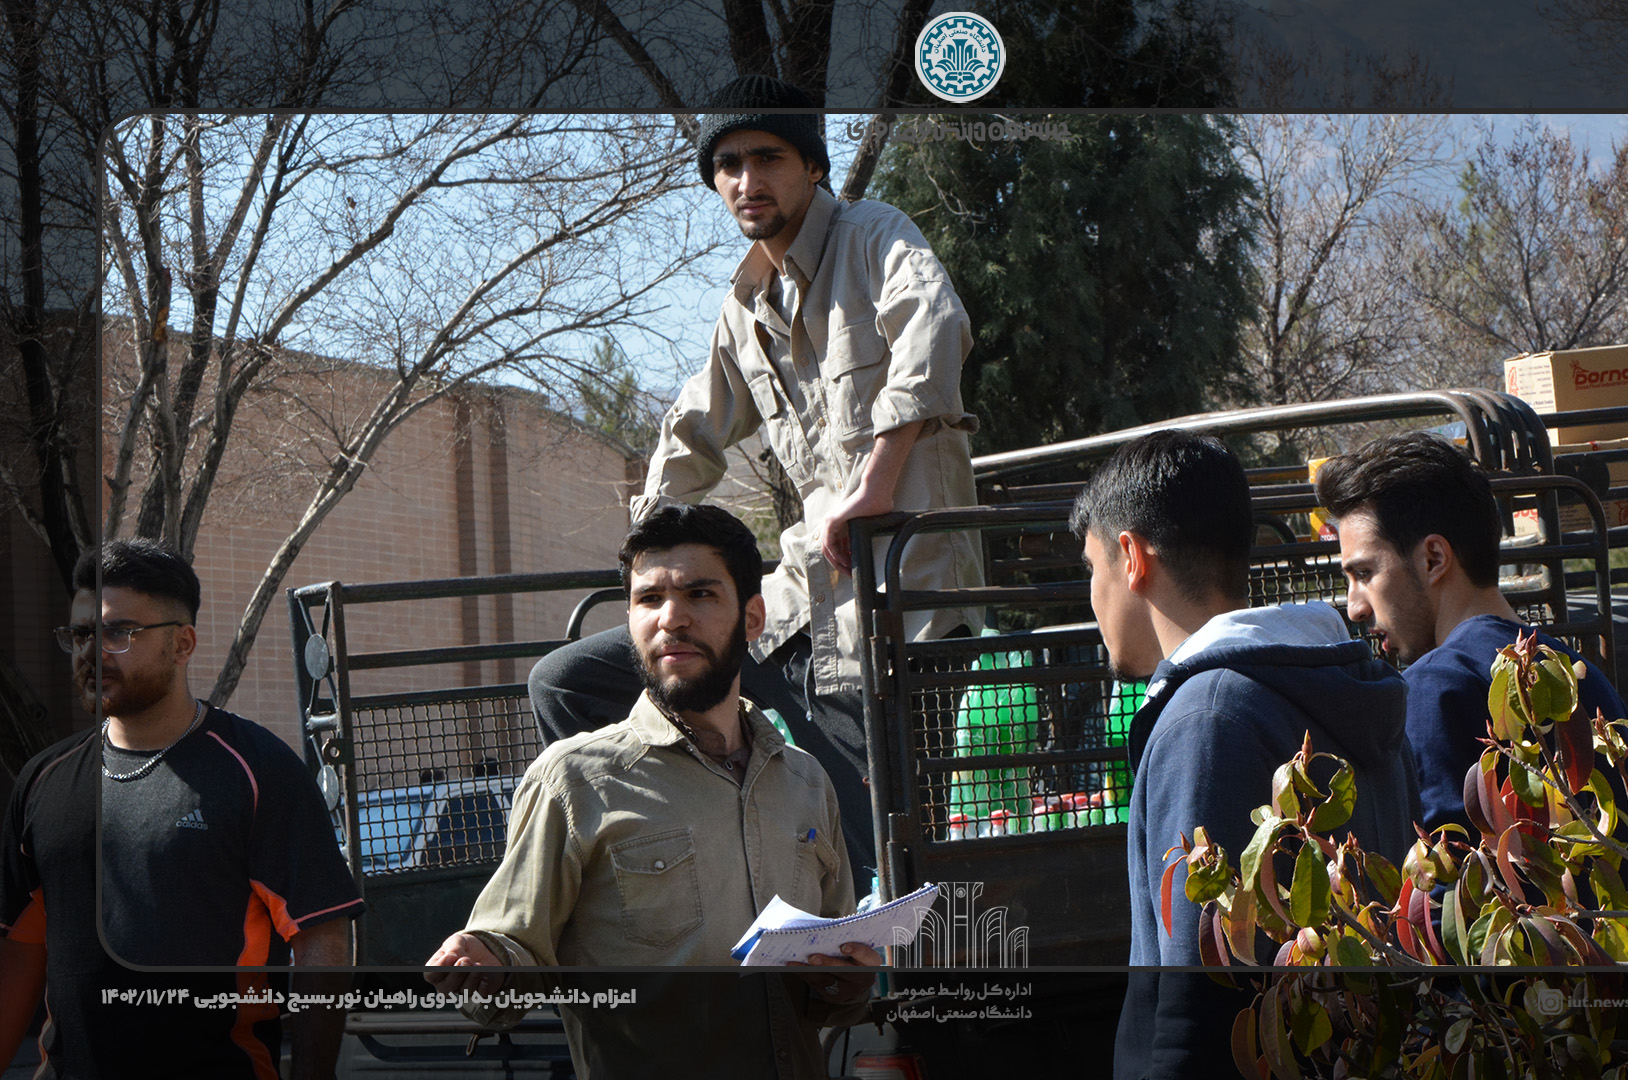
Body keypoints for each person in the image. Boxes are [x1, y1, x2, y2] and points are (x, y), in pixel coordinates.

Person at [526, 74, 983, 886]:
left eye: (767, 158)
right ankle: (672, 862)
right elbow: (692, 430)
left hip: (901, 615)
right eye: (728, 165)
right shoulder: (745, 307)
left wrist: (877, 483)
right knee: (568, 681)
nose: (747, 179)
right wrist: (650, 558)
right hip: (800, 607)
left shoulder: (874, 238)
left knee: (885, 860)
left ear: (812, 166)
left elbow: (936, 327)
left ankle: (872, 944)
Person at [426, 501, 880, 1080]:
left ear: (753, 619)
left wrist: (848, 981)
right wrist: (484, 963)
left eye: (700, 594)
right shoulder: (572, 780)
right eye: (649, 599)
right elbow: (510, 951)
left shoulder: (805, 780)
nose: (671, 618)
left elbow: (833, 979)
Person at [1069, 432, 1415, 1080]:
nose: (1092, 595)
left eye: (1092, 568)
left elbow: (1197, 1005)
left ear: (1132, 557)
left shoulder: (1205, 719)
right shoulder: (1345, 683)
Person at [0, 539, 362, 1079]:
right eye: (80, 635)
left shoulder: (258, 770)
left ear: (182, 643)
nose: (91, 653)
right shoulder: (42, 780)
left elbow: (320, 937)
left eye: (118, 633)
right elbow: (19, 953)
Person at [1312, 431, 1628, 841]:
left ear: (1433, 558)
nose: (1355, 608)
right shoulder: (1586, 679)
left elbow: (1441, 873)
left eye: (1364, 574)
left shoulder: (1435, 689)